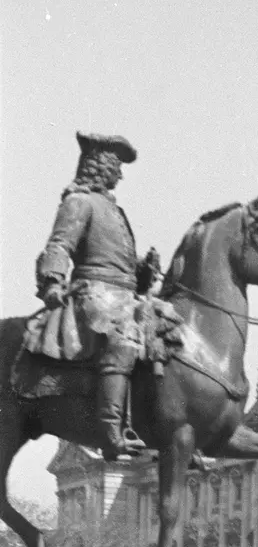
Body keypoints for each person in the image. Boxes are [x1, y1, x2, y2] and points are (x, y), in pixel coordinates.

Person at [27, 131, 162, 461]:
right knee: (125, 337)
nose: (121, 173)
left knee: (169, 330)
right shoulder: (80, 201)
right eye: (116, 165)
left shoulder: (113, 209)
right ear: (100, 166)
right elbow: (59, 245)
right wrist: (53, 281)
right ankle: (111, 431)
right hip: (94, 293)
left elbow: (119, 264)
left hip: (124, 294)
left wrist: (144, 270)